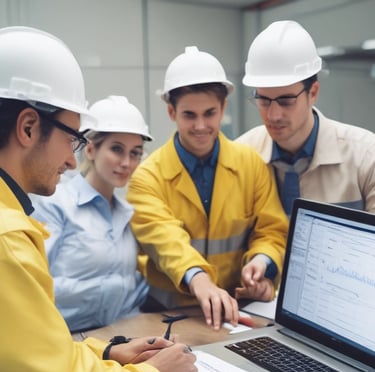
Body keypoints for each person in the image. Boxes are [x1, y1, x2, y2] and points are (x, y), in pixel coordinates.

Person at [0, 26, 197, 372]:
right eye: (72, 139)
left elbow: (27, 352)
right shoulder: (6, 237)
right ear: (27, 127)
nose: (71, 157)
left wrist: (106, 352)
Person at [126, 46, 288, 331]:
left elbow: (271, 231)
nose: (201, 125)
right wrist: (199, 279)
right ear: (171, 111)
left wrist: (261, 266)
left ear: (223, 108)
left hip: (233, 314)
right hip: (167, 315)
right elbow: (167, 243)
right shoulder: (147, 177)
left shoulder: (251, 164)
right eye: (189, 115)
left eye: (210, 113)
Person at [32, 95, 153, 332]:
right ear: (90, 149)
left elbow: (133, 293)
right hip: (65, 340)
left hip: (120, 336)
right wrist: (115, 288)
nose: (127, 162)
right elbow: (35, 286)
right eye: (117, 149)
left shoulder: (127, 215)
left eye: (135, 152)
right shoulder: (56, 205)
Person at [236, 20, 375, 215]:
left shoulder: (365, 155)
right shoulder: (240, 156)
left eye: (286, 100)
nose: (273, 115)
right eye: (264, 100)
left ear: (313, 93)